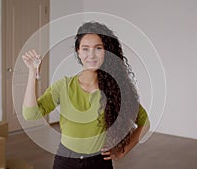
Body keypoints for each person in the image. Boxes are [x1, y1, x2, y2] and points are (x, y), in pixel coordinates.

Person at [22, 21, 150, 169]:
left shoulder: (115, 90)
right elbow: (30, 114)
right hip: (66, 161)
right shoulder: (63, 86)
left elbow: (144, 122)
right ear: (78, 52)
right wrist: (32, 73)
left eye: (98, 48)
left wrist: (122, 151)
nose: (91, 55)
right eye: (85, 49)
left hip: (99, 163)